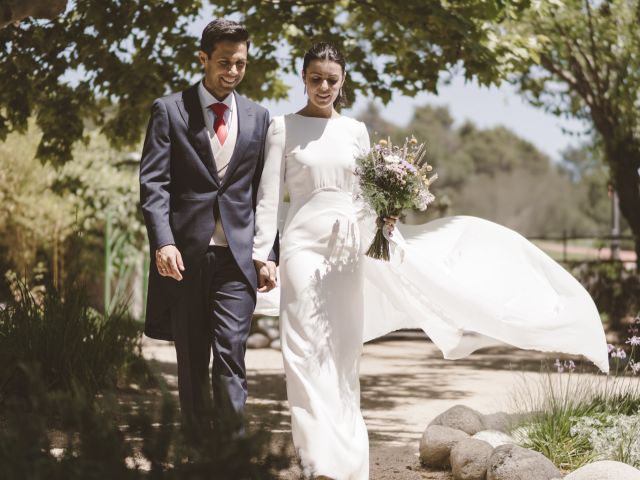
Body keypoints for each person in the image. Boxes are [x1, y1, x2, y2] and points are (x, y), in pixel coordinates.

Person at [252, 42, 609, 479]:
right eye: (315, 78)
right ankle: (316, 462)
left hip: (347, 252)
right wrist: (261, 256)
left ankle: (347, 465)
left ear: (342, 81)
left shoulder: (357, 131)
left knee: (344, 357)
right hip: (301, 251)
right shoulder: (281, 127)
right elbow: (267, 200)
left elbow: (364, 198)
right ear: (302, 77)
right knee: (303, 355)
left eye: (331, 79)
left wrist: (386, 215)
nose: (323, 86)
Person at [139, 18, 277, 427]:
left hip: (236, 261)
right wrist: (163, 242)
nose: (232, 72)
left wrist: (267, 252)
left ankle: (232, 455)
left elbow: (264, 194)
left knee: (232, 353)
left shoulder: (259, 117)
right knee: (193, 358)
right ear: (203, 58)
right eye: (223, 62)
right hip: (185, 258)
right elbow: (154, 184)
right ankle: (201, 456)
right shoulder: (169, 109)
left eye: (240, 64)